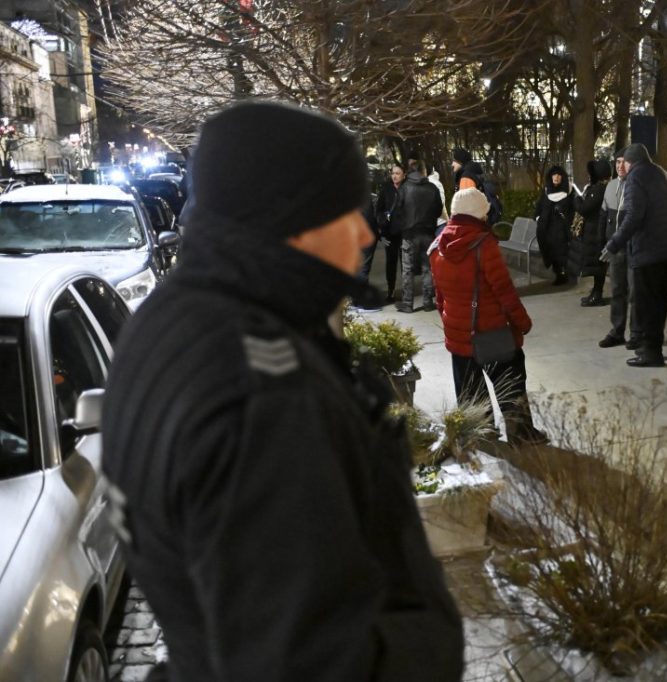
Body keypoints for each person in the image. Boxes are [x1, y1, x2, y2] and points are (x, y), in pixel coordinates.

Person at [100, 101, 464, 680]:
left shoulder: (170, 317)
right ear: (289, 218)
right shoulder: (266, 400)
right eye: (346, 212)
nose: (365, 232)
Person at [430, 188, 548, 445]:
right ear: (478, 213)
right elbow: (505, 292)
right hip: (491, 331)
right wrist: (522, 322)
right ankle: (521, 435)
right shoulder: (485, 245)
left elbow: (439, 297)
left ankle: (480, 435)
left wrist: (452, 322)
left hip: (458, 334)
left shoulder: (438, 247)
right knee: (510, 382)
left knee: (470, 390)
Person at [600, 143, 667, 367]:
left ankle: (650, 353)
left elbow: (633, 216)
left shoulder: (635, 178)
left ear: (629, 162)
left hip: (648, 250)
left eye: (624, 162)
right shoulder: (662, 174)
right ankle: (654, 347)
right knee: (659, 303)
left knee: (645, 305)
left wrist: (614, 243)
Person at [597, 151, 642, 349]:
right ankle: (617, 331)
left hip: (633, 248)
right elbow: (604, 215)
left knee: (634, 293)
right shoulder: (610, 187)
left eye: (624, 162)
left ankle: (636, 334)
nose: (620, 166)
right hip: (615, 248)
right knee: (617, 291)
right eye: (617, 162)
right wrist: (604, 241)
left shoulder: (637, 186)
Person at [394, 159, 443, 313]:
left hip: (409, 233)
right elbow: (438, 209)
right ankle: (428, 302)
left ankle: (408, 303)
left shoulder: (404, 188)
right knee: (427, 268)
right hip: (428, 233)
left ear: (408, 172)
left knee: (407, 269)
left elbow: (397, 210)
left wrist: (402, 224)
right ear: (423, 172)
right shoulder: (432, 188)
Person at [572, 158, 613, 306]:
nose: (589, 175)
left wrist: (577, 199)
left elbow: (585, 209)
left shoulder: (599, 189)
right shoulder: (601, 187)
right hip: (595, 230)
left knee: (598, 265)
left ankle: (597, 295)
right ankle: (595, 293)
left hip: (595, 231)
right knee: (597, 265)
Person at [535, 164, 575, 285]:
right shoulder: (546, 191)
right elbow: (540, 206)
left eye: (558, 175)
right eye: (554, 175)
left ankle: (564, 274)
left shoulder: (569, 192)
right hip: (548, 229)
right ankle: (558, 274)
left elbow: (572, 210)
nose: (556, 177)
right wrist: (538, 217)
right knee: (552, 252)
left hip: (562, 228)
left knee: (562, 251)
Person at [374, 163, 405, 302]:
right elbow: (378, 210)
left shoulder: (408, 188)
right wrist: (381, 230)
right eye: (393, 173)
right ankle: (391, 290)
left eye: (398, 173)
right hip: (390, 232)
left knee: (406, 263)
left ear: (404, 175)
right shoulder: (386, 189)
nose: (394, 176)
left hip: (405, 232)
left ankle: (407, 291)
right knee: (391, 263)